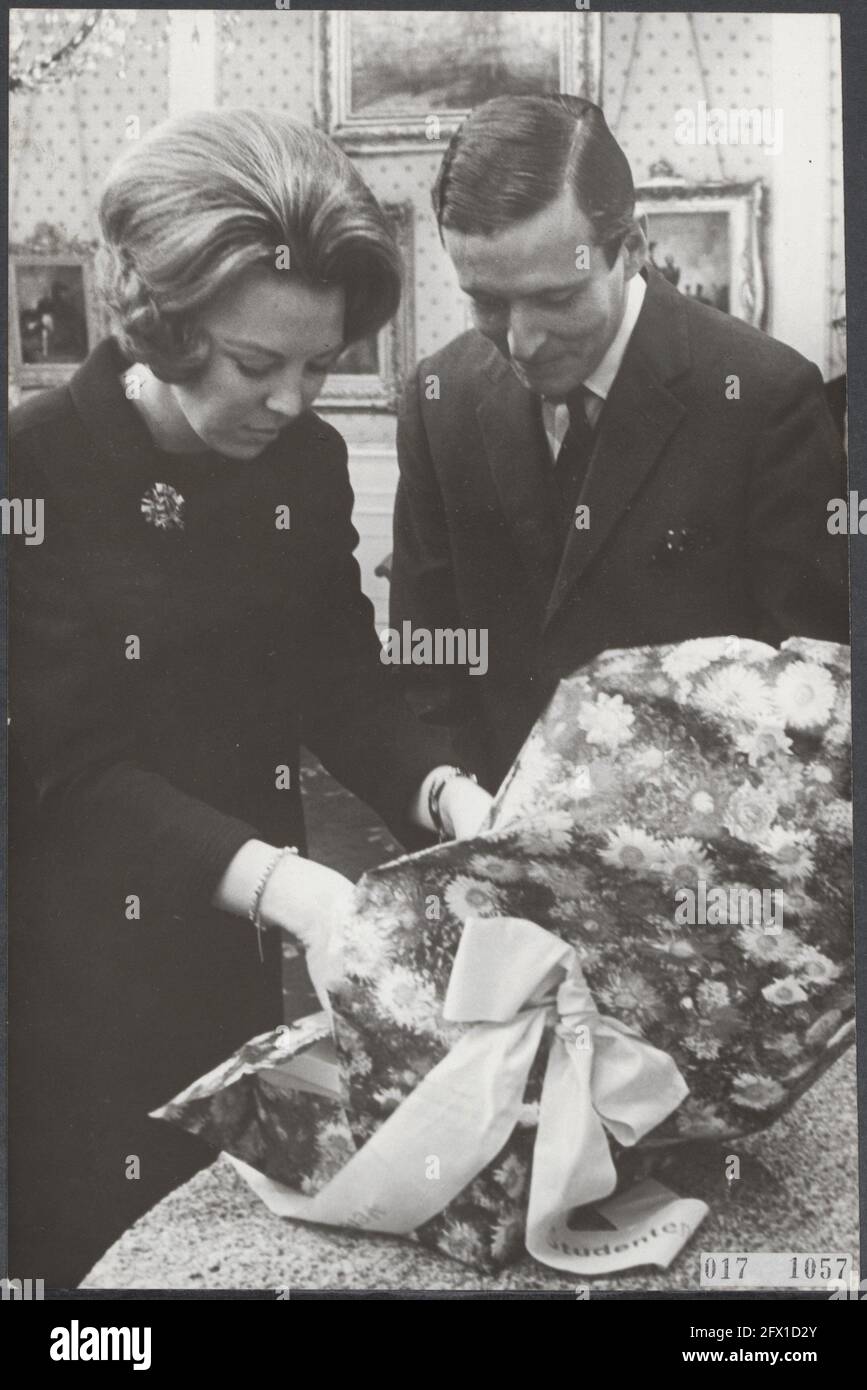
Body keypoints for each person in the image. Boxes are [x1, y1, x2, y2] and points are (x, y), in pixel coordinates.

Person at [7, 107, 491, 1289]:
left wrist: (448, 792)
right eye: (254, 365)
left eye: (318, 366)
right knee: (95, 1271)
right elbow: (67, 773)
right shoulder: (32, 473)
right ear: (160, 325)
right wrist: (292, 887)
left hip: (240, 957)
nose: (290, 402)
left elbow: (336, 674)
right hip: (64, 969)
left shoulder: (303, 461)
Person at [390, 95, 849, 791]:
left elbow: (809, 682)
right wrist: (458, 809)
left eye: (557, 298)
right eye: (485, 299)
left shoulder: (764, 396)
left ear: (631, 247)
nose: (521, 343)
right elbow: (427, 659)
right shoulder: (438, 399)